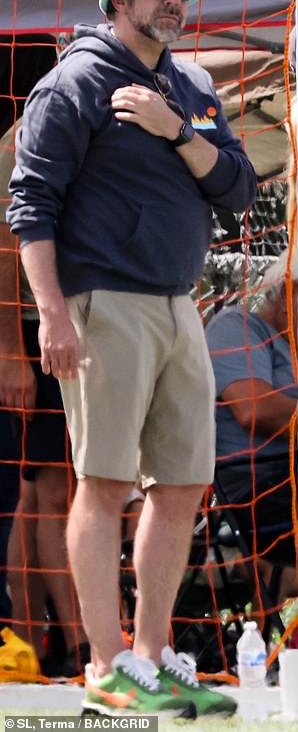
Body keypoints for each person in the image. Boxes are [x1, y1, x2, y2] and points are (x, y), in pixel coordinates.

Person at [7, 0, 256, 718]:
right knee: (105, 484)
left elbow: (238, 189)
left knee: (181, 486)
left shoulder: (192, 85)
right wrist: (52, 314)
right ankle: (105, 664)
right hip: (102, 305)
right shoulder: (71, 82)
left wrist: (174, 128)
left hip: (182, 305)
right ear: (118, 1)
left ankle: (151, 660)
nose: (173, 1)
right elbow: (29, 206)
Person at [1, 121, 89, 676]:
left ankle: (37, 641)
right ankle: (72, 642)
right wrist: (11, 350)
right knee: (43, 495)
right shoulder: (23, 137)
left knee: (41, 496)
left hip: (76, 328)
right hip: (37, 335)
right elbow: (6, 248)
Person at [206, 250, 298, 597]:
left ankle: (293, 581)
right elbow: (254, 410)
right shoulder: (237, 326)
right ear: (288, 295)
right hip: (261, 485)